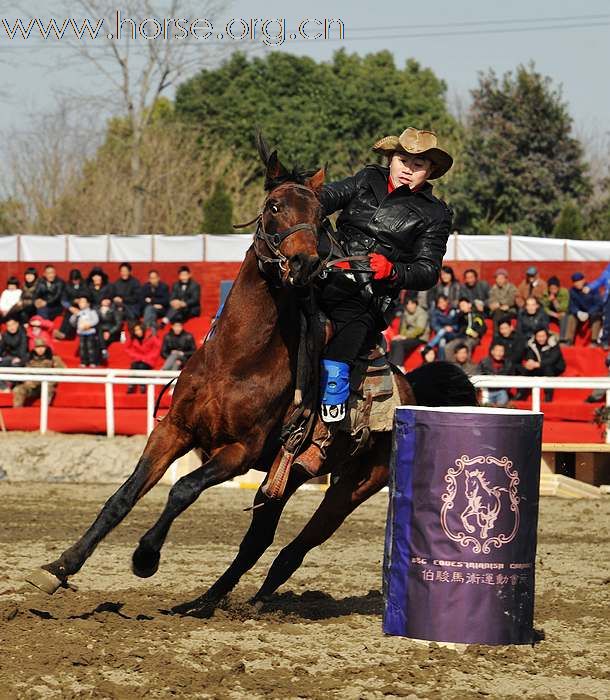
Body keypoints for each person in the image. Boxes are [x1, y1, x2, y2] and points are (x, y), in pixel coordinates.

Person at [295, 126, 454, 474]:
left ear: (430, 171)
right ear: (390, 159)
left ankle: (323, 436)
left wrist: (393, 270)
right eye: (403, 159)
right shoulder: (366, 178)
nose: (408, 167)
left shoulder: (436, 214)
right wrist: (301, 203)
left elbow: (427, 270)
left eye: (419, 162)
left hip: (366, 296)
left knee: (337, 359)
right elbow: (326, 198)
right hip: (322, 273)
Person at [12, 337, 65, 407]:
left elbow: (62, 370)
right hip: (31, 386)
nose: (40, 349)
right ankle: (17, 412)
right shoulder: (28, 358)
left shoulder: (52, 358)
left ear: (46, 347)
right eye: (38, 347)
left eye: (42, 347)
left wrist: (52, 380)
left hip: (46, 385)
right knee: (18, 389)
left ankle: (45, 411)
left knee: (48, 387)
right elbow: (21, 371)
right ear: (34, 348)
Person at [521, 327, 566, 402]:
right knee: (526, 370)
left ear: (547, 336)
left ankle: (548, 396)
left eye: (543, 336)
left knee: (548, 368)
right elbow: (529, 354)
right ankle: (521, 393)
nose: (541, 339)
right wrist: (530, 361)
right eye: (539, 336)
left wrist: (538, 364)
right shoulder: (532, 344)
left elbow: (553, 359)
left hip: (555, 367)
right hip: (539, 367)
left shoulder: (553, 344)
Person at [388, 297, 429, 366]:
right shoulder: (406, 312)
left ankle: (398, 366)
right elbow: (403, 327)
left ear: (415, 304)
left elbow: (419, 330)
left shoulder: (422, 313)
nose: (409, 306)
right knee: (394, 342)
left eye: (412, 304)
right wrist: (401, 336)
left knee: (399, 344)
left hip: (419, 338)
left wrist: (405, 336)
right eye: (408, 304)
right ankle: (390, 365)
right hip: (408, 337)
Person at [444, 297, 486, 362]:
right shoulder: (460, 316)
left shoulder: (477, 315)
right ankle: (452, 365)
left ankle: (467, 366)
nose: (462, 307)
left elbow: (483, 327)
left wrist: (477, 333)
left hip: (473, 338)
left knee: (467, 345)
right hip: (461, 337)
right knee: (448, 347)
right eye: (460, 306)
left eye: (463, 305)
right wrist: (460, 314)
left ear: (469, 305)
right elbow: (453, 323)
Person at [566, 272, 603, 346]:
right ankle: (569, 340)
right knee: (571, 317)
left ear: (583, 280)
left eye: (579, 281)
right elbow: (571, 305)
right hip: (580, 313)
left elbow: (598, 304)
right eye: (575, 282)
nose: (577, 284)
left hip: (592, 312)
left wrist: (589, 313)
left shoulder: (592, 288)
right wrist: (577, 312)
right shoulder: (572, 291)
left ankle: (594, 341)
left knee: (597, 316)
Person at [124, 322, 161, 393]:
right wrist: (137, 356)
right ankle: (131, 385)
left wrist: (146, 358)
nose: (138, 332)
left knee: (141, 365)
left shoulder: (151, 336)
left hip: (149, 360)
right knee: (134, 365)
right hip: (138, 359)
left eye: (139, 330)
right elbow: (127, 348)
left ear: (143, 329)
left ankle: (142, 385)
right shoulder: (133, 338)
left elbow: (158, 347)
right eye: (136, 330)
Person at [56, 269, 88, 340]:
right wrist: (71, 306)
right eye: (74, 280)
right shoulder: (67, 286)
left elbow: (88, 296)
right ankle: (62, 333)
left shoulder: (85, 285)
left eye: (77, 280)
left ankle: (66, 335)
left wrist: (81, 301)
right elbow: (64, 300)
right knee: (68, 315)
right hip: (71, 307)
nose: (75, 282)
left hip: (83, 306)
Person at [424, 294, 458, 360]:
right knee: (442, 341)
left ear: (447, 301)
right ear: (437, 304)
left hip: (452, 334)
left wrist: (452, 328)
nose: (442, 304)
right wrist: (443, 329)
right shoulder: (435, 313)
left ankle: (429, 346)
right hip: (442, 335)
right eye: (440, 303)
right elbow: (434, 325)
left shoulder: (453, 311)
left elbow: (458, 325)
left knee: (442, 332)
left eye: (443, 301)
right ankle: (441, 362)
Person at [70, 296, 100, 367]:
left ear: (88, 304)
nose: (81, 304)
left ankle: (92, 362)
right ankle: (83, 361)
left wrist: (89, 325)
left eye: (83, 302)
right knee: (82, 348)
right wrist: (75, 315)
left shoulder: (92, 312)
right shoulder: (78, 313)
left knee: (91, 347)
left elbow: (96, 320)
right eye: (80, 302)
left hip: (90, 332)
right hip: (81, 333)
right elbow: (72, 322)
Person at [586, 262, 610, 349]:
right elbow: (599, 281)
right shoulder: (607, 272)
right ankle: (605, 341)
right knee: (608, 322)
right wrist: (589, 287)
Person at [0, 318, 28, 391]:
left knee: (15, 365)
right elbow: (1, 348)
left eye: (13, 324)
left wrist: (20, 358)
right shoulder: (5, 334)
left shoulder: (22, 333)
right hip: (10, 357)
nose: (11, 327)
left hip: (23, 357)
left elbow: (23, 347)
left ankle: (11, 385)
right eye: (9, 326)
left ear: (17, 324)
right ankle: (4, 388)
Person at [541, 276, 569, 342]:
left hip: (561, 311)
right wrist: (548, 300)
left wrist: (554, 301)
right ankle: (545, 335)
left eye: (555, 288)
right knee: (543, 315)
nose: (553, 290)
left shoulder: (564, 292)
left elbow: (564, 307)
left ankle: (562, 338)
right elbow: (543, 307)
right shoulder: (545, 293)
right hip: (551, 313)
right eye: (551, 288)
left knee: (564, 316)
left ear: (558, 288)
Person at [142, 269, 170, 334]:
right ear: (149, 279)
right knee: (151, 311)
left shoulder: (164, 287)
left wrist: (152, 301)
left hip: (161, 309)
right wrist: (154, 305)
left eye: (154, 278)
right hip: (150, 310)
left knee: (149, 309)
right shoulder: (145, 287)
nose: (153, 280)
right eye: (151, 278)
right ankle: (153, 333)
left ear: (158, 278)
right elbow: (142, 301)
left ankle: (145, 329)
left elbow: (166, 301)